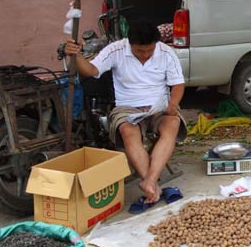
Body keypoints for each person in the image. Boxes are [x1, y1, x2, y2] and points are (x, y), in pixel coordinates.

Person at [64, 20, 185, 207]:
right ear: (129, 43)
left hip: (159, 105)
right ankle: (152, 184)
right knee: (128, 132)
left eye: (149, 51)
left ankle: (150, 181)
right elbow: (91, 70)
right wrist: (76, 55)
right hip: (127, 107)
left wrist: (173, 104)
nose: (145, 55)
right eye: (139, 51)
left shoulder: (166, 52)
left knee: (172, 124)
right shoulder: (116, 50)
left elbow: (177, 84)